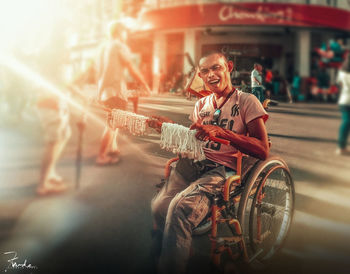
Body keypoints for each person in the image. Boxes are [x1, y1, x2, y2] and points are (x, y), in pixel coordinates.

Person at [150, 52, 269, 274]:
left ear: (229, 67)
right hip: (195, 163)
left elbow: (263, 150)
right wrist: (168, 127)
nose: (211, 74)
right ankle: (181, 248)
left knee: (180, 209)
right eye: (204, 71)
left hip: (222, 170)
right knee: (159, 207)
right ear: (200, 75)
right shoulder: (201, 104)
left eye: (216, 68)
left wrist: (224, 133)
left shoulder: (246, 101)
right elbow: (195, 137)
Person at [96, 20, 151, 165]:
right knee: (112, 123)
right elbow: (131, 66)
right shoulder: (119, 46)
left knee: (115, 120)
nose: (126, 34)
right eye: (125, 31)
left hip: (106, 92)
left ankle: (113, 147)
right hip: (116, 91)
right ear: (120, 32)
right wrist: (145, 84)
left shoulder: (105, 48)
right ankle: (101, 156)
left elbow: (101, 72)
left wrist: (99, 92)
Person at [36, 92, 71, 196]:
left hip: (57, 105)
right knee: (53, 143)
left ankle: (50, 173)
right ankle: (43, 185)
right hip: (51, 107)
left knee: (64, 135)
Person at [336, 56, 350, 155]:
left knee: (346, 122)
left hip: (343, 100)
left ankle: (342, 146)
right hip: (347, 101)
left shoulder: (341, 72)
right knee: (346, 122)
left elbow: (339, 83)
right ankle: (341, 147)